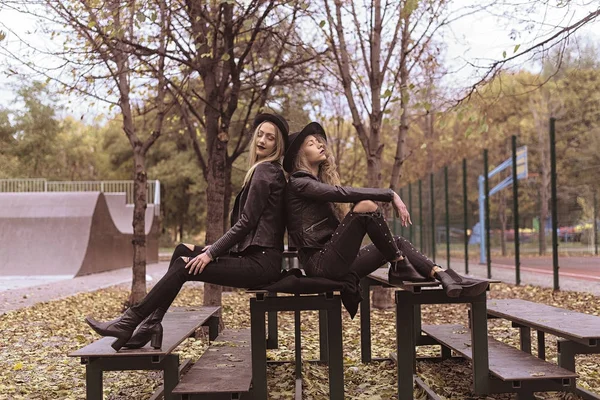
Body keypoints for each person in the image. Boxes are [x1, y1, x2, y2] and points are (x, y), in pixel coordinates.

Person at [85, 113, 290, 351]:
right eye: (261, 134)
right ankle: (151, 323)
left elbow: (246, 223)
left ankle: (130, 320)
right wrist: (209, 251)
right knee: (183, 249)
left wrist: (211, 252)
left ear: (278, 145)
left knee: (185, 265)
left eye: (270, 138)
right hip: (255, 256)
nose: (262, 140)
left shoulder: (266, 171)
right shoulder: (265, 171)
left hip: (260, 264)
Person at [283, 122, 488, 299]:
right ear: (300, 156)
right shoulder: (298, 182)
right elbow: (340, 193)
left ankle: (446, 277)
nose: (320, 144)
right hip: (320, 265)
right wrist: (389, 194)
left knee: (396, 242)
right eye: (311, 143)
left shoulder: (313, 183)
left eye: (318, 141)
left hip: (335, 261)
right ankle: (399, 265)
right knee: (366, 206)